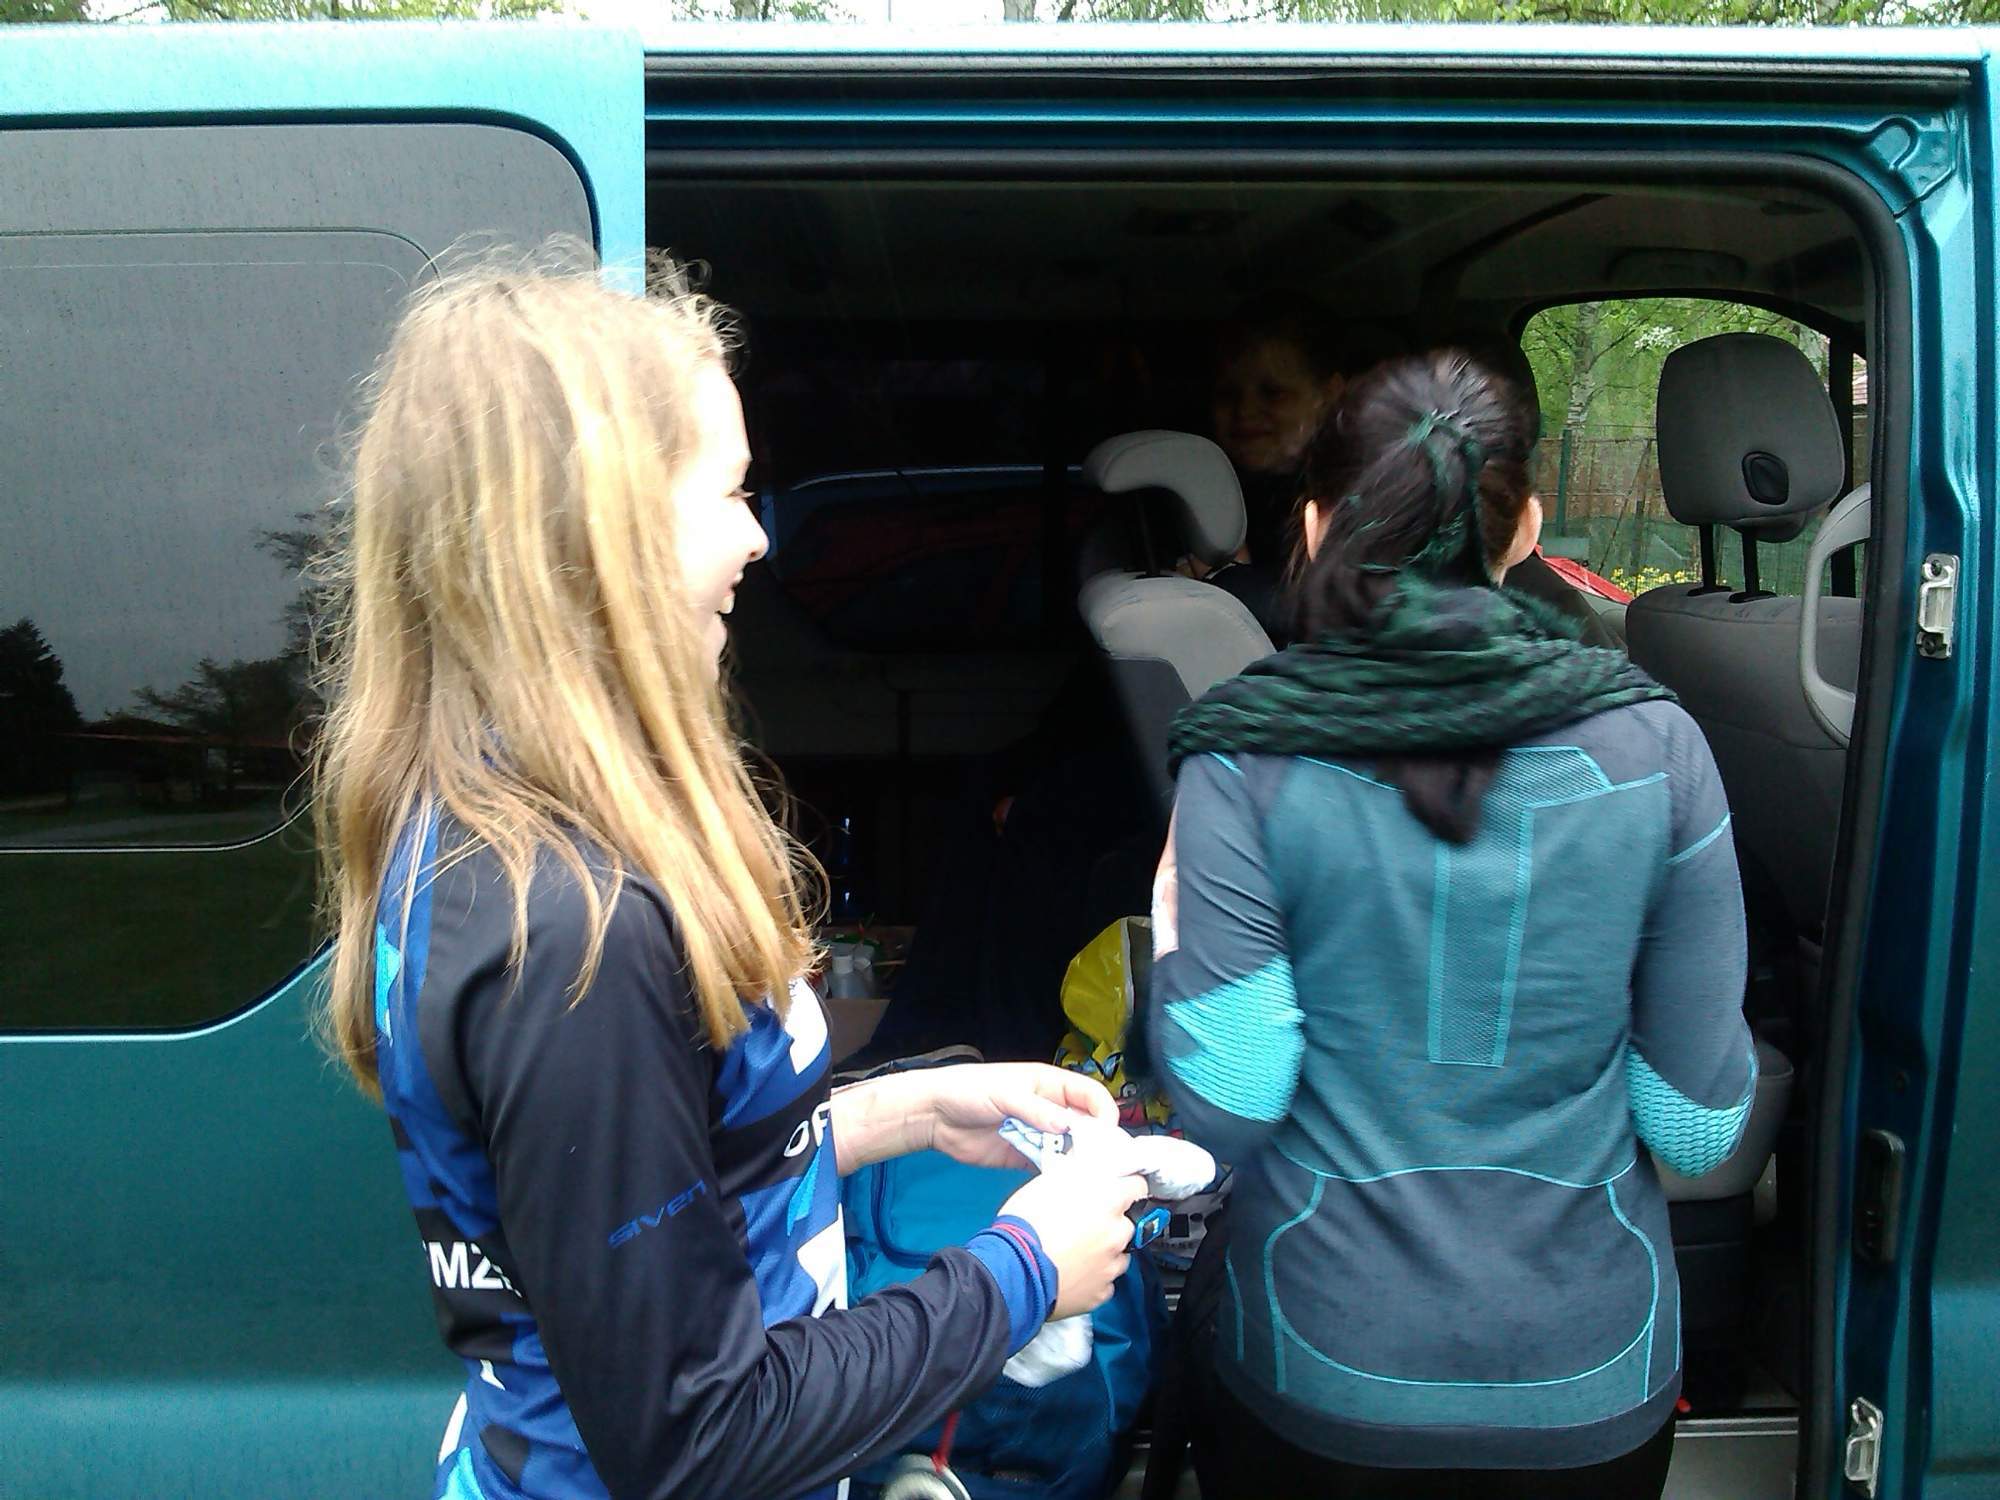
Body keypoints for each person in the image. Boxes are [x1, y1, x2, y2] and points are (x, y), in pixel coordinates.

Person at [310, 254, 1147, 1500]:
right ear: (596, 531)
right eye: (731, 492)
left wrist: (908, 1113)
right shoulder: (570, 930)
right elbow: (695, 1435)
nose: (759, 538)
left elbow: (658, 1194)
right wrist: (1022, 1271)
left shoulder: (499, 833)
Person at [1148, 349, 1756, 1498]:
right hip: (1590, 1374)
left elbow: (1228, 1103)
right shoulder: (1660, 746)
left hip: (1322, 1367)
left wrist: (1170, 914)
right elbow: (1691, 1126)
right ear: (1524, 528)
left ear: (1316, 526)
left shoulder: (1241, 752)